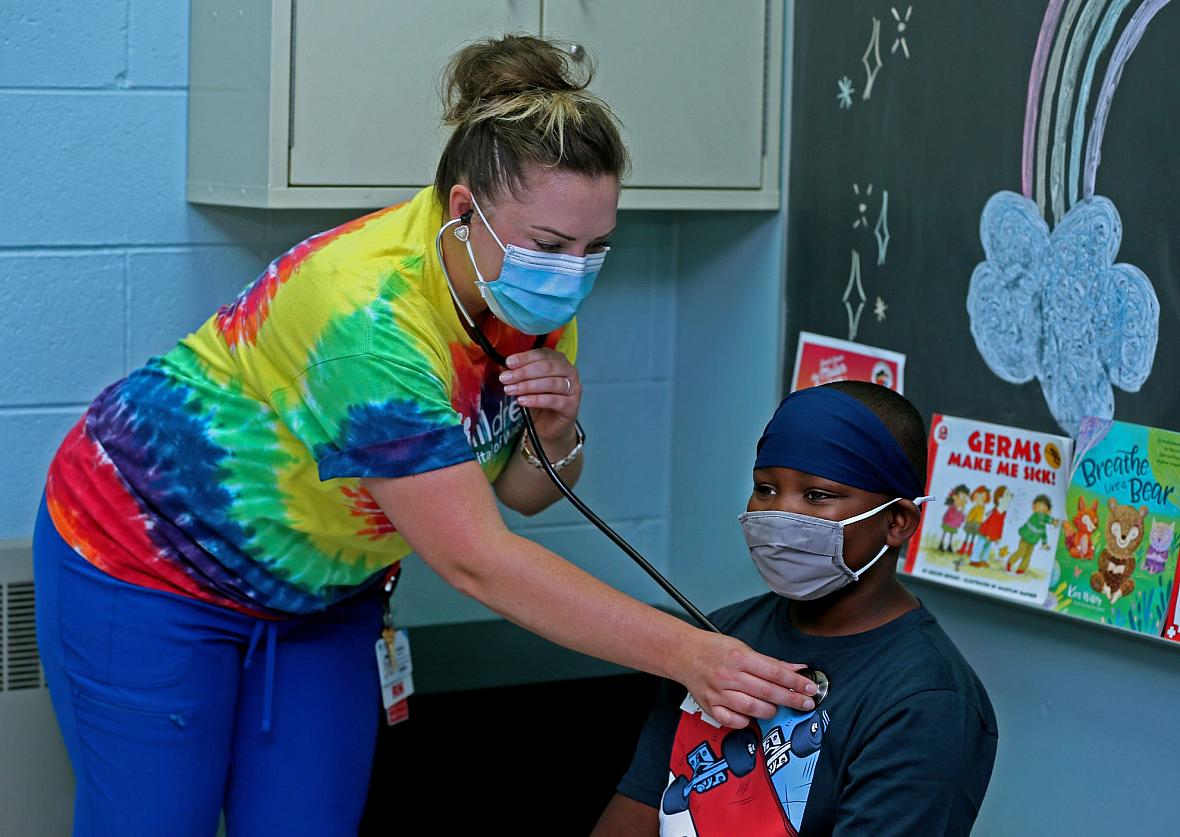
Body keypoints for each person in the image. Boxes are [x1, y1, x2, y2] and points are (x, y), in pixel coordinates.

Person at [32, 35, 818, 835]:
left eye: (594, 248)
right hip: (147, 560)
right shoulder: (365, 320)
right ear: (463, 209)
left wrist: (558, 426)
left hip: (322, 594)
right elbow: (475, 559)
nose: (573, 273)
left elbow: (521, 493)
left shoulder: (527, 299)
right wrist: (692, 654)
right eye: (551, 246)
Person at [594, 382, 998, 836]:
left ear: (896, 521)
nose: (780, 514)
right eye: (765, 488)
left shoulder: (926, 700)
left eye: (817, 495)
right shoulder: (718, 641)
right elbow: (638, 807)